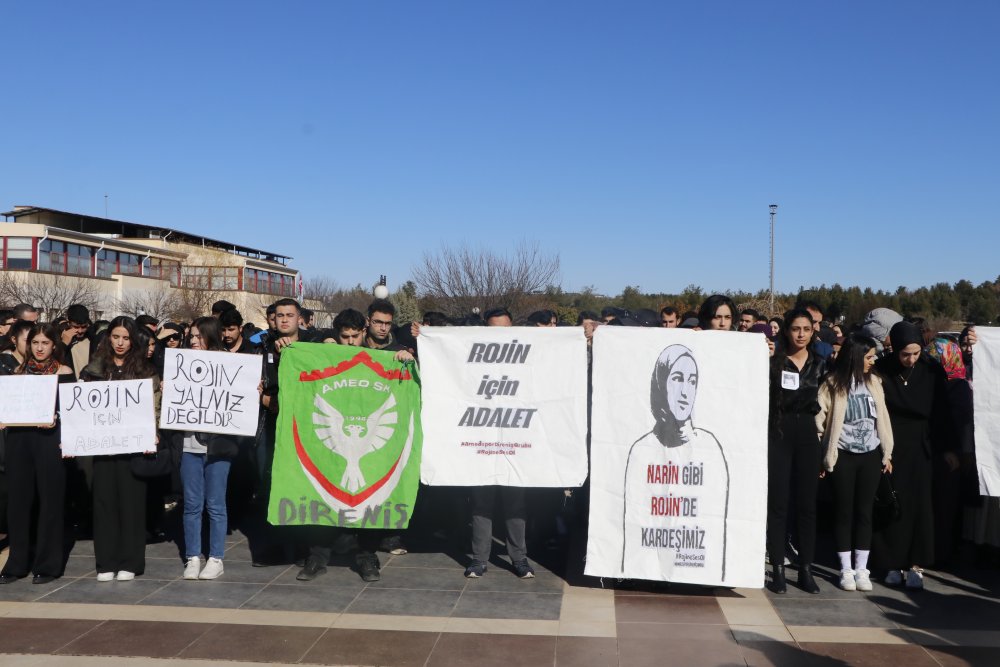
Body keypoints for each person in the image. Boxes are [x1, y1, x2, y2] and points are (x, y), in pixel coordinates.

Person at [622, 344, 731, 582]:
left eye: (692, 381)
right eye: (677, 379)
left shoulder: (710, 449)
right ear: (661, 384)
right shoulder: (641, 451)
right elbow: (634, 527)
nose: (685, 391)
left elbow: (714, 529)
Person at [872, 321, 953, 589]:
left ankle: (916, 563)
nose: (911, 359)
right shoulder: (882, 370)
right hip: (892, 441)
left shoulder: (931, 370)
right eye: (905, 353)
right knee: (893, 503)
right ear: (894, 349)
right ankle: (892, 561)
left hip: (922, 444)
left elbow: (943, 412)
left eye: (916, 353)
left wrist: (948, 449)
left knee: (920, 504)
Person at [80, 316, 161, 582]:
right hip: (103, 447)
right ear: (108, 338)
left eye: (126, 338)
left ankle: (131, 560)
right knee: (103, 503)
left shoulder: (145, 370)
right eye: (116, 337)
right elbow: (81, 408)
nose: (120, 343)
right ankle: (106, 561)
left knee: (132, 504)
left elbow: (154, 407)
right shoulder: (93, 369)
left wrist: (154, 432)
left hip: (133, 447)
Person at [816, 334, 893, 591]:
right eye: (869, 356)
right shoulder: (832, 383)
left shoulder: (874, 382)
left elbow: (882, 417)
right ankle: (845, 568)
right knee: (844, 511)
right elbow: (820, 421)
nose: (873, 361)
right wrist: (824, 455)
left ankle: (862, 568)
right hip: (842, 454)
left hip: (870, 454)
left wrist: (887, 452)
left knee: (864, 512)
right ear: (856, 356)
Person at [0, 323, 75, 584]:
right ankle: (17, 562)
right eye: (35, 343)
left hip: (49, 442)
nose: (40, 348)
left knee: (50, 502)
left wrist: (57, 418)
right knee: (18, 503)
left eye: (45, 343)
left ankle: (48, 564)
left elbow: (73, 412)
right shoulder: (18, 373)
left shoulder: (64, 373)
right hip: (19, 442)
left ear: (54, 345)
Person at [465, 307, 536, 579]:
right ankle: (479, 560)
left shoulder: (524, 359)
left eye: (504, 330)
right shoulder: (474, 361)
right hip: (482, 442)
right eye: (494, 330)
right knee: (481, 504)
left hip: (515, 444)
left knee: (515, 505)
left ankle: (519, 559)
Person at [766, 309, 826, 594]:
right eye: (795, 328)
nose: (801, 334)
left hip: (807, 435)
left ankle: (805, 569)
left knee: (807, 506)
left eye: (806, 328)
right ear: (786, 331)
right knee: (778, 504)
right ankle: (778, 567)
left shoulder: (821, 363)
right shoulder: (773, 361)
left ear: (813, 331)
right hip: (779, 433)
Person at [177, 317, 239, 580]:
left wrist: (251, 390)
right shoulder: (180, 365)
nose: (193, 341)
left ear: (211, 337)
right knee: (192, 504)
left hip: (218, 447)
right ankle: (192, 557)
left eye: (199, 337)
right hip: (189, 444)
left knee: (215, 504)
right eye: (191, 336)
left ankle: (215, 558)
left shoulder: (231, 365)